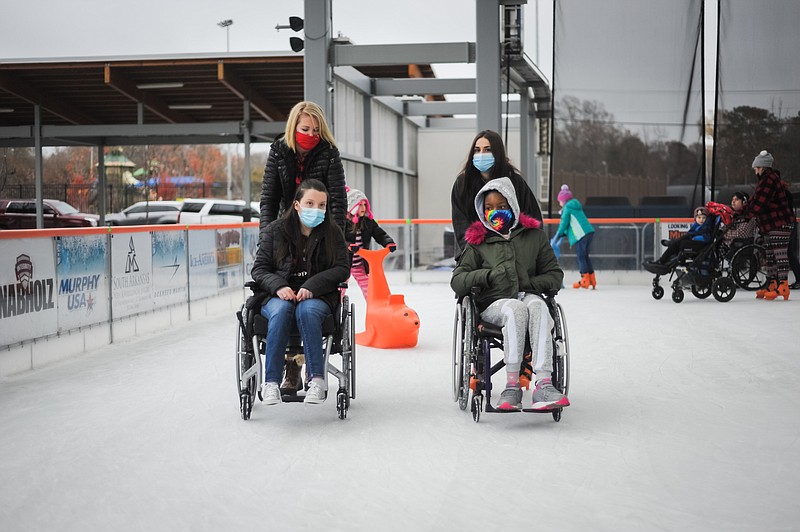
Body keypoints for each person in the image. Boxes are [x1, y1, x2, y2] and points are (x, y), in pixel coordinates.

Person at [450, 177, 568, 412]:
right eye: (489, 207)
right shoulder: (477, 242)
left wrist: (529, 283)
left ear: (512, 205)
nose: (496, 212)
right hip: (494, 303)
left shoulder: (534, 237)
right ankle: (512, 385)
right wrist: (486, 276)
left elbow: (555, 275)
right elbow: (458, 281)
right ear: (482, 211)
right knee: (515, 309)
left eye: (502, 206)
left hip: (527, 294)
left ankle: (544, 383)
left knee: (538, 307)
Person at [259, 101, 347, 390]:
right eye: (305, 128)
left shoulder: (329, 155)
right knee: (285, 299)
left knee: (308, 301)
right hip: (285, 231)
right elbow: (269, 200)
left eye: (316, 130)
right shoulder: (279, 152)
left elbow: (337, 202)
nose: (310, 134)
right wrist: (268, 241)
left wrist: (336, 244)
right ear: (294, 127)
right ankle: (291, 370)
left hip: (320, 231)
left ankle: (306, 370)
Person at [250, 179, 350, 405]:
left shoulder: (332, 232)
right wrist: (279, 286)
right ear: (297, 204)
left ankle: (316, 380)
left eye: (322, 205)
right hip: (276, 296)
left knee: (308, 311)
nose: (317, 209)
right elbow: (259, 269)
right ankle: (272, 383)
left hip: (318, 296)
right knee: (282, 309)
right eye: (310, 203)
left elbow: (342, 268)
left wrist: (312, 286)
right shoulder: (275, 231)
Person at [450, 130, 543, 258]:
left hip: (512, 255)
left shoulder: (515, 182)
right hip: (474, 255)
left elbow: (532, 217)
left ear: (497, 153)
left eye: (487, 149)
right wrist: (475, 255)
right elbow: (461, 224)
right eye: (477, 150)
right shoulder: (463, 184)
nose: (481, 154)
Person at [741, 150, 795, 300]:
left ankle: (783, 286)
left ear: (762, 167)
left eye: (756, 168)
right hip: (770, 224)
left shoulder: (769, 179)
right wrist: (740, 211)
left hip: (780, 223)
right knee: (770, 255)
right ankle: (772, 284)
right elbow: (754, 199)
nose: (755, 171)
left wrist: (747, 215)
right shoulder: (765, 180)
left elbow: (759, 203)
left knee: (779, 254)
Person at [345, 187, 396, 298]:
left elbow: (380, 234)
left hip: (360, 264)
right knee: (339, 289)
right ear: (352, 207)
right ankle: (335, 311)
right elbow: (339, 239)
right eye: (360, 205)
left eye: (365, 205)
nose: (363, 208)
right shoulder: (344, 223)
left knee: (370, 291)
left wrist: (389, 242)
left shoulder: (368, 222)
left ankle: (374, 309)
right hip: (344, 264)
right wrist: (349, 245)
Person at [643, 206, 714, 274]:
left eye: (704, 218)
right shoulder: (696, 226)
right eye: (699, 217)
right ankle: (662, 260)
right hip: (693, 243)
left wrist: (694, 238)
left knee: (682, 241)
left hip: (699, 245)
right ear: (696, 218)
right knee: (680, 241)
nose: (701, 220)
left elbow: (706, 238)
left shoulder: (706, 227)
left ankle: (671, 245)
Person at [554, 184, 596, 289]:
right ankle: (592, 279)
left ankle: (585, 279)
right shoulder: (575, 205)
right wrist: (563, 234)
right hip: (588, 232)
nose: (559, 202)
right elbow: (570, 223)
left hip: (581, 234)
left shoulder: (567, 208)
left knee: (581, 256)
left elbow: (564, 223)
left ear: (563, 200)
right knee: (585, 256)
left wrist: (557, 235)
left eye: (559, 200)